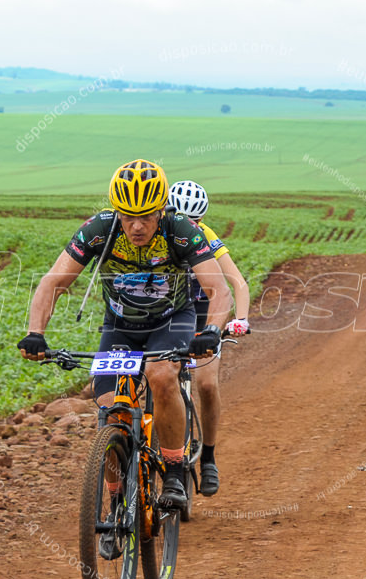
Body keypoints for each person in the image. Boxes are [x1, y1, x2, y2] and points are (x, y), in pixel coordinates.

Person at [18, 160, 232, 522]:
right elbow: (53, 282)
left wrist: (210, 330)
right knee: (108, 406)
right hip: (119, 327)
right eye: (127, 216)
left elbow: (218, 288)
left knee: (161, 376)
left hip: (171, 320)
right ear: (116, 210)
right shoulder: (99, 229)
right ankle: (117, 498)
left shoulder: (181, 231)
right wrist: (36, 332)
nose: (136, 226)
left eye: (146, 217)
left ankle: (176, 470)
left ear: (162, 209)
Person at [167, 180, 250, 497]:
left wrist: (239, 319)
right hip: (170, 311)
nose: (190, 226)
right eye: (181, 217)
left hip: (202, 309)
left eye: (196, 221)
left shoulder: (207, 236)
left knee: (206, 383)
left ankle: (209, 457)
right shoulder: (158, 233)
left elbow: (237, 283)